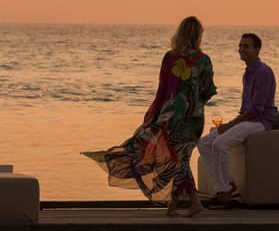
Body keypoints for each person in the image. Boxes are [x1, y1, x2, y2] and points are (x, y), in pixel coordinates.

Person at [87, 16, 217, 217]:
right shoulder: (204, 61)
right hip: (194, 119)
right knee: (180, 159)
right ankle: (176, 205)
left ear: (180, 33)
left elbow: (163, 89)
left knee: (177, 159)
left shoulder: (171, 57)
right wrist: (194, 102)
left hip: (172, 117)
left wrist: (154, 114)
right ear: (199, 35)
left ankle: (192, 202)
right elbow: (208, 91)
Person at [197, 32, 275, 207]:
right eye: (240, 46)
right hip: (248, 120)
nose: (241, 49)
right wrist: (231, 124)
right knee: (203, 143)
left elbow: (255, 110)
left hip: (260, 122)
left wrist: (231, 125)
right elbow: (245, 109)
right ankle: (226, 186)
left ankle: (226, 192)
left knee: (219, 144)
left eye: (246, 46)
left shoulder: (263, 72)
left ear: (257, 49)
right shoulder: (247, 73)